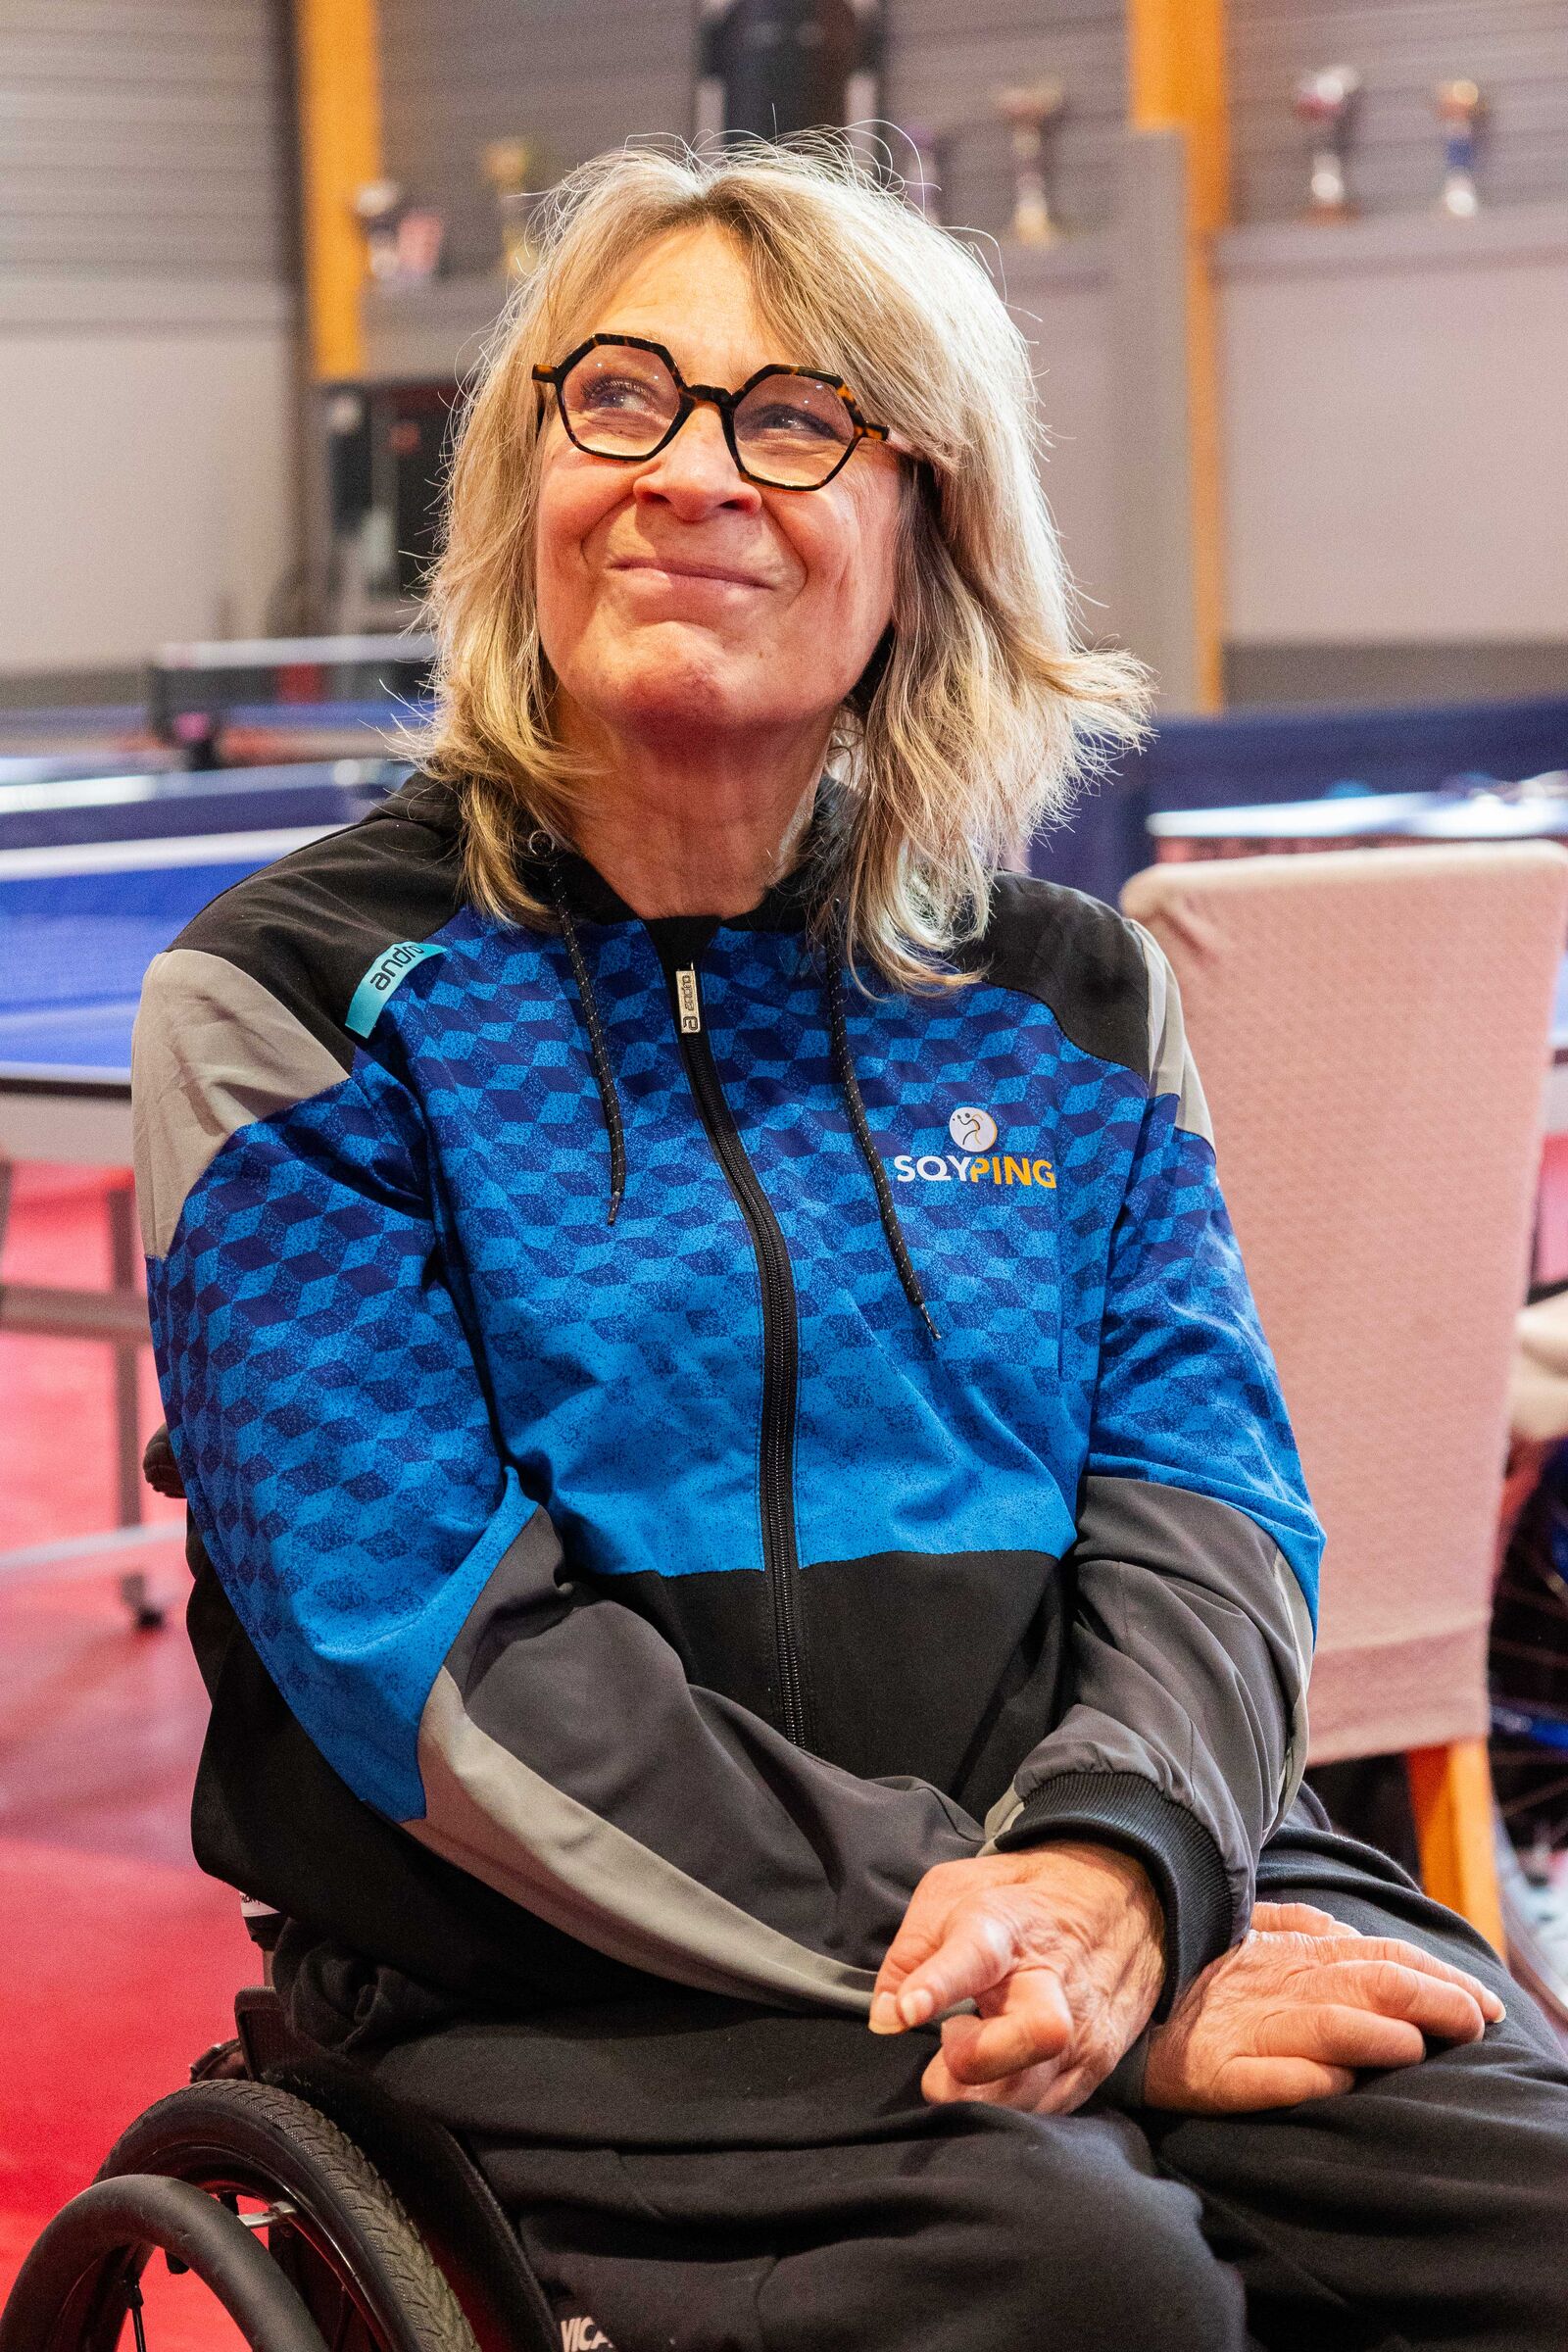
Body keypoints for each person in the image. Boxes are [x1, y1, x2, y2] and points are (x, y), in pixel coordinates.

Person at [132, 143, 1568, 2352]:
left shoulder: (1073, 997)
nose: (691, 471)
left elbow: (1203, 1501)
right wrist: (1017, 1943)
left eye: (795, 417)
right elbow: (426, 1655)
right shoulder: (294, 1008)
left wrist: (1119, 1869)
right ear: (526, 488)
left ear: (926, 530)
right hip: (565, 1979)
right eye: (621, 399)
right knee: (1080, 2288)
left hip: (1115, 1872)